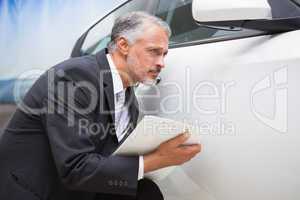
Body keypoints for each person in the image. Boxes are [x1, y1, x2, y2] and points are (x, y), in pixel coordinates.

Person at [0, 12, 201, 200]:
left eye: (164, 54)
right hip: (36, 191)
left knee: (146, 192)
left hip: (77, 187)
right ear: (124, 45)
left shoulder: (130, 102)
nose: (161, 63)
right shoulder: (73, 78)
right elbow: (75, 168)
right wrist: (157, 159)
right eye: (153, 52)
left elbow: (107, 159)